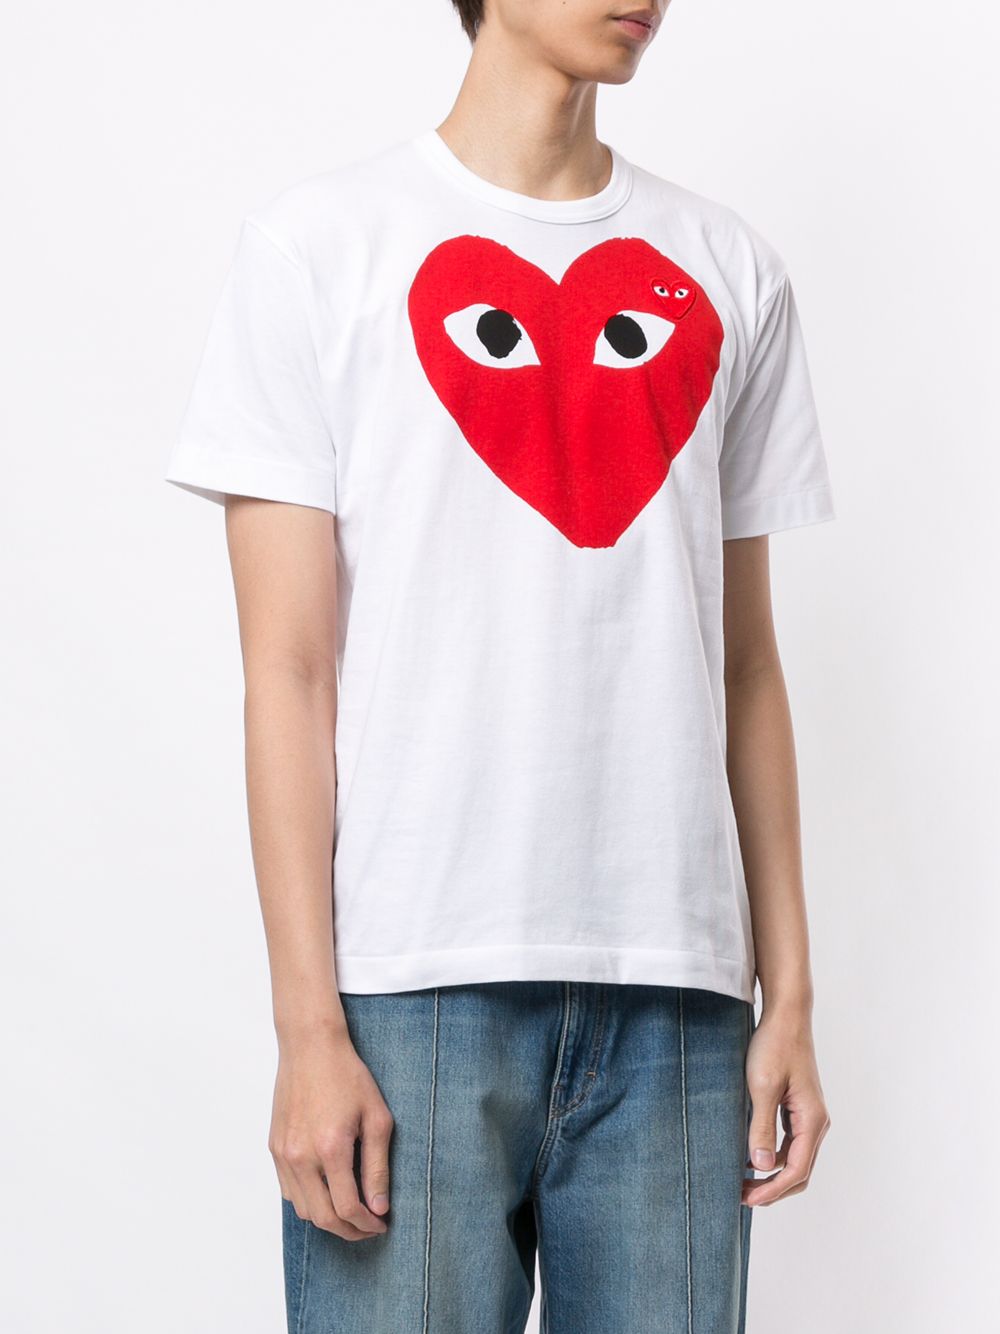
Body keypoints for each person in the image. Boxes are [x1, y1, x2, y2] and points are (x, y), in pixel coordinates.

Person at [164, 1, 834, 1329]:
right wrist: (308, 1028)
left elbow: (747, 667)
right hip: (409, 990)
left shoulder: (726, 268)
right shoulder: (319, 250)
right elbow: (287, 673)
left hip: (679, 999)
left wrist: (792, 995)